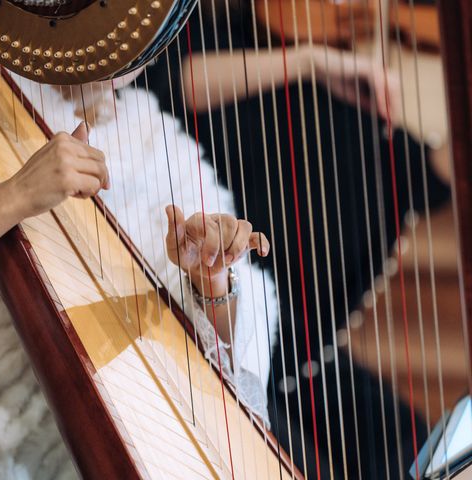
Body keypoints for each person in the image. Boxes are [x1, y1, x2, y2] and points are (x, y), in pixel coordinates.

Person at [0, 72, 278, 477]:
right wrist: (17, 196)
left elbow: (225, 364)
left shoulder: (154, 134)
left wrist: (211, 280)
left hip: (94, 436)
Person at [145, 1, 451, 479]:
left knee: (432, 452)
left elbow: (429, 174)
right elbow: (171, 82)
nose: (357, 9)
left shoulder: (345, 78)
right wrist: (308, 60)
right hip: (221, 307)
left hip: (297, 341)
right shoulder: (222, 28)